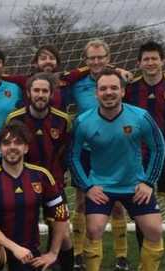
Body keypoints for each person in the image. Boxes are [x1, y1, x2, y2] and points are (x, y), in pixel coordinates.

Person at [70, 69, 165, 271]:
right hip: (101, 187)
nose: (108, 92)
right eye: (103, 88)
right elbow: (73, 156)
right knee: (94, 229)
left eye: (114, 87)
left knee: (155, 230)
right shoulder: (82, 121)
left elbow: (159, 147)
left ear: (123, 91)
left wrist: (148, 182)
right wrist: (88, 187)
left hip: (135, 186)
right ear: (96, 93)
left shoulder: (141, 117)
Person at [124, 41, 165, 271]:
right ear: (139, 63)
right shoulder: (130, 88)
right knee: (143, 213)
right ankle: (146, 264)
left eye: (155, 58)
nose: (150, 63)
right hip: (139, 159)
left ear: (163, 61)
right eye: (146, 59)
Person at [64, 39, 130, 270]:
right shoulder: (77, 84)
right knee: (82, 202)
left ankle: (122, 256)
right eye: (92, 58)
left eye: (101, 57)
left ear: (108, 58)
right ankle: (78, 253)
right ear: (85, 60)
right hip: (85, 150)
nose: (96, 61)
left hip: (114, 151)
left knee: (117, 204)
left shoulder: (120, 80)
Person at [0, 122, 70, 271]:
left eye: (18, 142)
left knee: (65, 235)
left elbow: (61, 213)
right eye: (6, 143)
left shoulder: (41, 175)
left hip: (29, 250)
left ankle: (60, 264)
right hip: (1, 246)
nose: (12, 147)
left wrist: (52, 253)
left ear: (26, 148)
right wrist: (14, 248)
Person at [6, 72, 75, 270]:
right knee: (21, 229)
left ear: (51, 94)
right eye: (36, 90)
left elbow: (66, 151)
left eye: (45, 91)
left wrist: (61, 176)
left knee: (63, 233)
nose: (40, 94)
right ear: (28, 93)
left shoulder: (62, 120)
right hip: (23, 185)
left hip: (53, 185)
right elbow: (9, 152)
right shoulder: (15, 119)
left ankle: (61, 264)